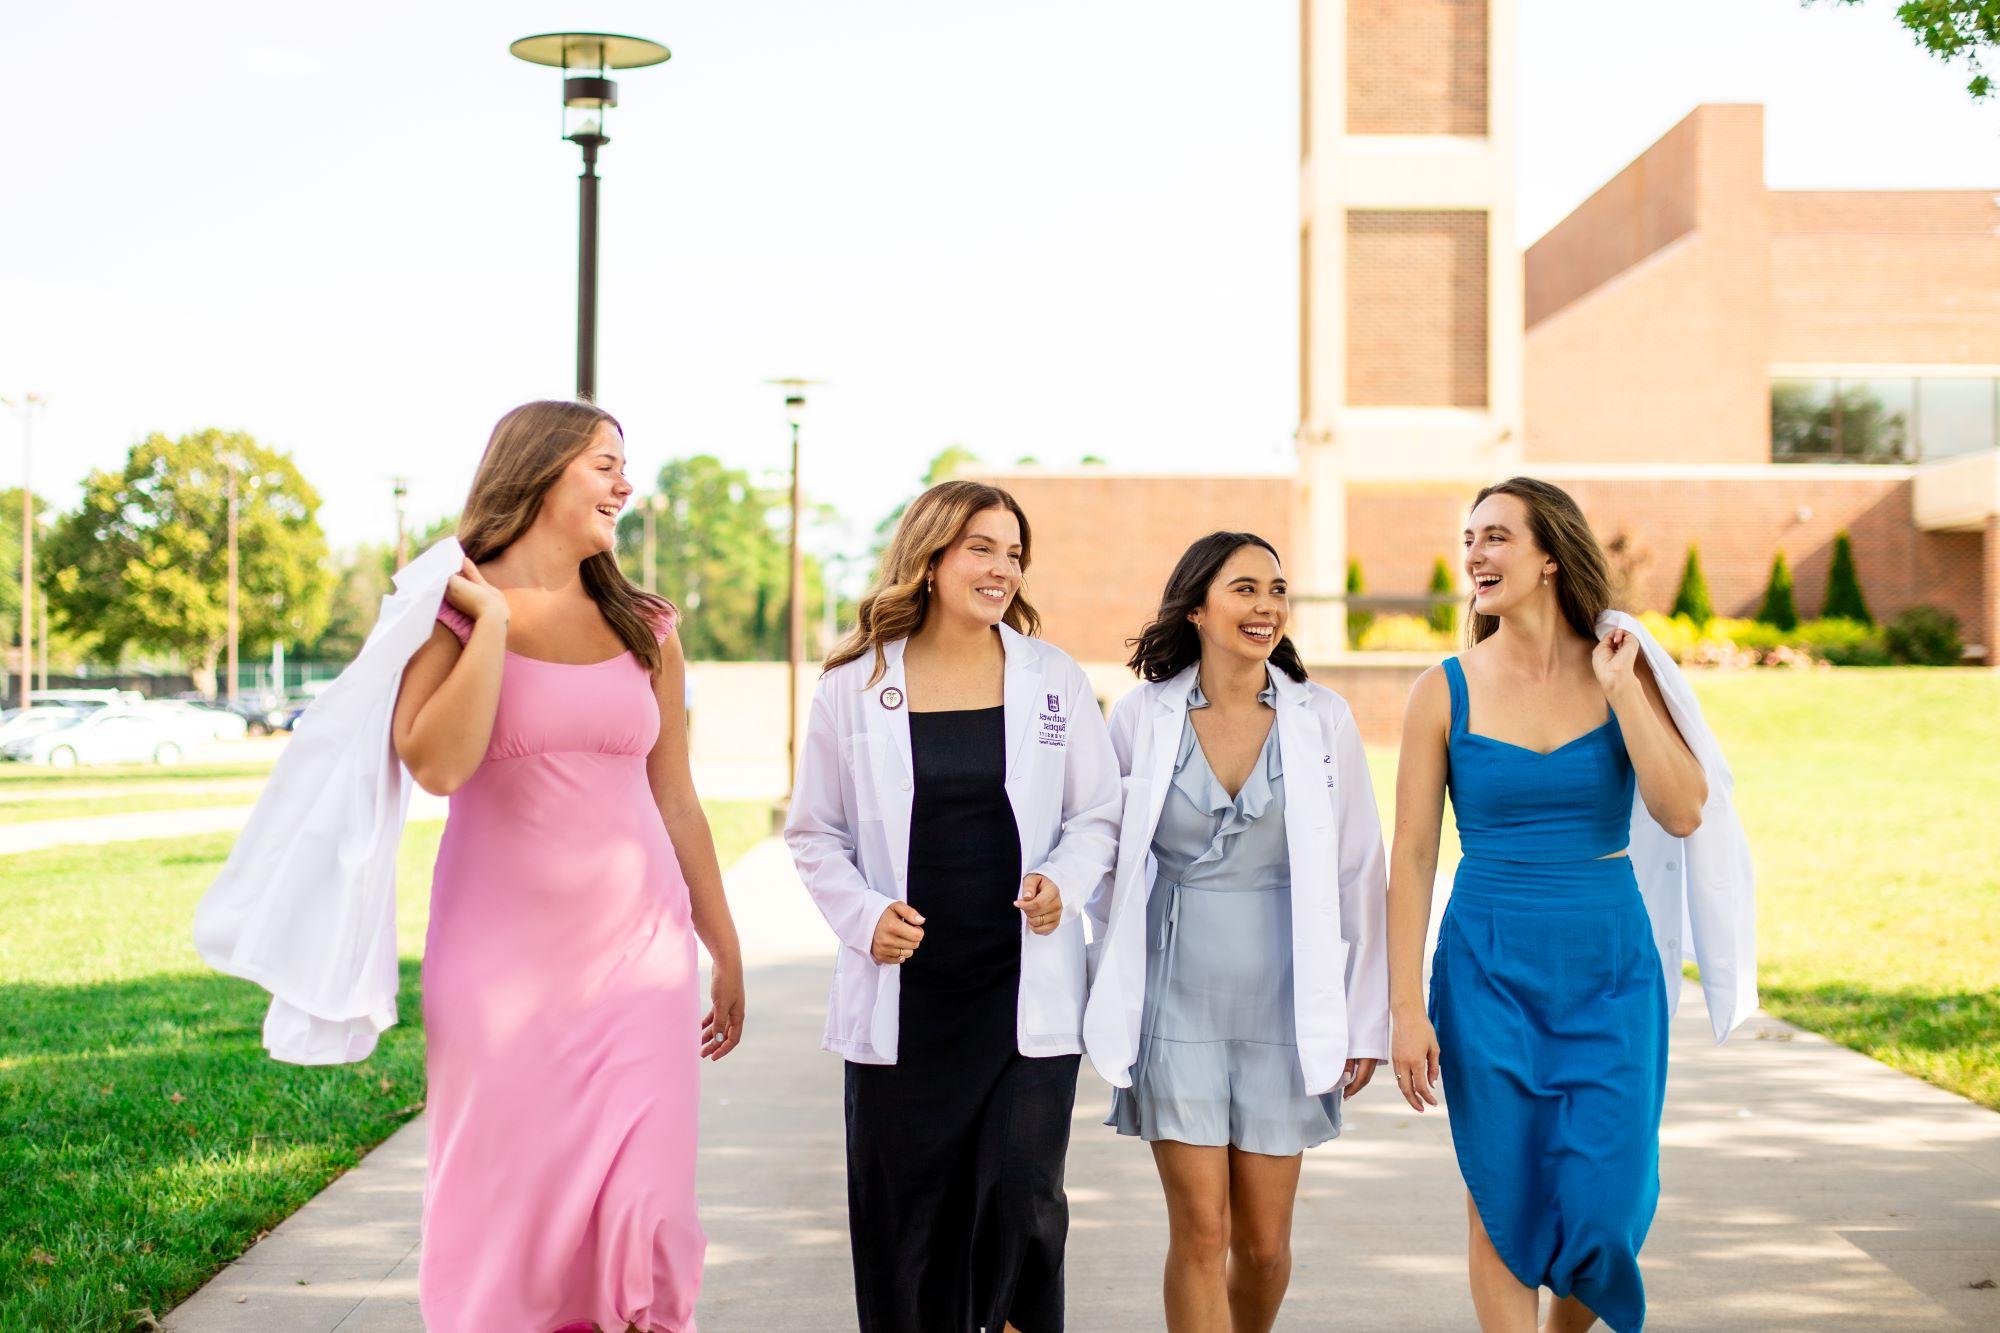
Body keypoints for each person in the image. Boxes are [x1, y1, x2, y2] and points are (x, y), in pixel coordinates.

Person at [390, 400, 744, 1332]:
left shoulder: (645, 624)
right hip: (501, 972)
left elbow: (677, 799)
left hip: (641, 963)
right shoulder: (449, 610)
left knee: (651, 1214)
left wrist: (725, 945)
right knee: (513, 1226)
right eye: (604, 463)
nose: (625, 484)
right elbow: (435, 763)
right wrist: (494, 625)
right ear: (540, 470)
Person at [1386, 476, 1747, 1333]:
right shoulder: (1442, 689)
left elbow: (1685, 808)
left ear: (1550, 555)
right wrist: (1404, 1007)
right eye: (1469, 538)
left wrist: (1623, 692)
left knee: (1607, 1204)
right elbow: (1410, 851)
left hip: (1610, 965)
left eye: (1497, 536)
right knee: (1502, 1192)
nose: (1475, 553)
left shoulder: (1621, 667)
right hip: (1486, 965)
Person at [784, 480, 1121, 1333]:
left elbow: (1097, 813)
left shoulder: (1052, 679)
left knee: (1022, 1207)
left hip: (1020, 995)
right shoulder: (853, 686)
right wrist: (863, 916)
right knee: (909, 1227)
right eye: (983, 547)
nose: (1003, 567)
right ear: (931, 558)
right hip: (908, 1001)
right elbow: (813, 832)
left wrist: (1063, 881)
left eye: (1014, 553)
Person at [1081, 532, 1389, 1333]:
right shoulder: (1143, 716)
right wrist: (1103, 968)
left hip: (1287, 999)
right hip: (1173, 997)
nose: (1267, 606)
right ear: (1197, 607)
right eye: (1246, 588)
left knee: (1262, 1246)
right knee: (1201, 1231)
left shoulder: (1321, 718)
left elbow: (1361, 868)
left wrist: (1367, 1013)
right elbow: (1104, 854)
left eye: (1277, 590)